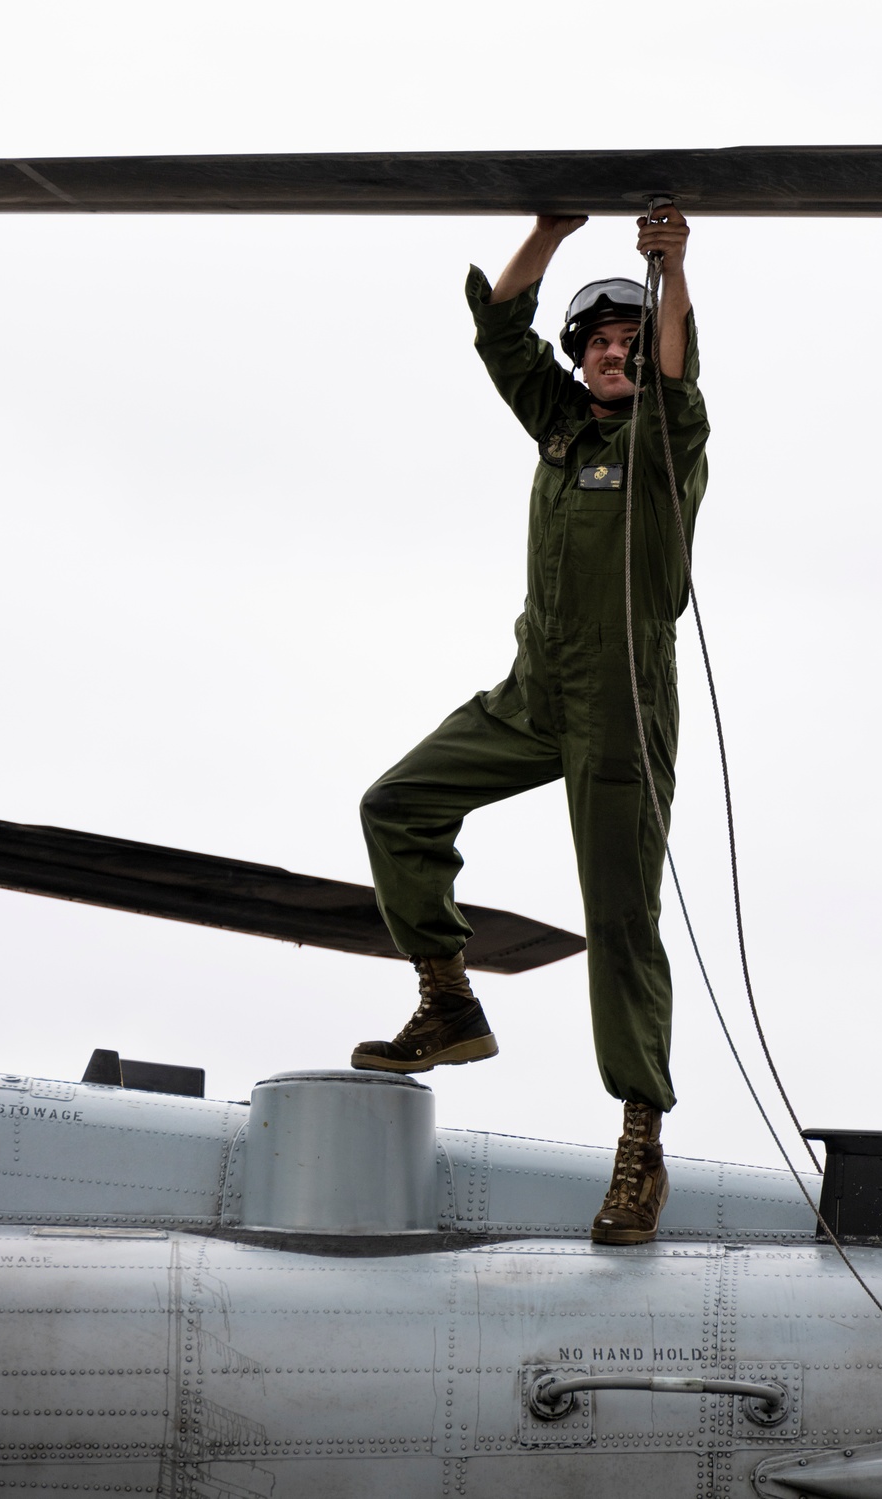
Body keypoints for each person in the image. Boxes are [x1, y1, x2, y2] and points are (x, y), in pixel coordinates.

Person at [353, 206, 709, 1244]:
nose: (612, 355)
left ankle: (639, 1146)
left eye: (628, 344)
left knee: (623, 926)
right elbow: (498, 332)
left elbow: (680, 378)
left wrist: (672, 270)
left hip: (622, 710)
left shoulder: (663, 440)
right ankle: (447, 997)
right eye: (598, 344)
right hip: (534, 691)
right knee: (397, 803)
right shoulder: (560, 426)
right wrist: (553, 226)